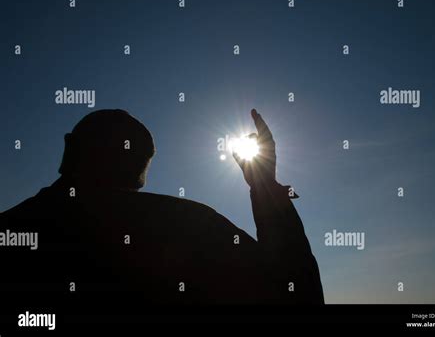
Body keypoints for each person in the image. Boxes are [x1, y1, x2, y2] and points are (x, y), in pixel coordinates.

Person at [0, 108, 324, 313]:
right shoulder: (189, 226)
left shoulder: (11, 230)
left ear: (69, 148)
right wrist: (265, 187)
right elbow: (293, 295)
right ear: (142, 170)